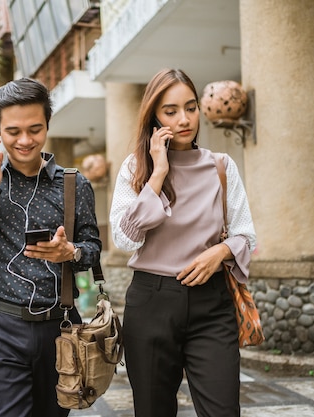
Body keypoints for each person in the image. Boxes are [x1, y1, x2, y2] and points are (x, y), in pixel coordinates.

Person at [0, 77, 102, 417]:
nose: (24, 140)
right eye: (13, 131)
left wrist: (71, 252)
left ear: (47, 124)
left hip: (60, 329)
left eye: (35, 129)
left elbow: (93, 250)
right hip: (0, 329)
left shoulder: (74, 185)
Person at [109, 68, 257, 417]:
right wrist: (157, 175)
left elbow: (246, 234)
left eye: (190, 107)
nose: (184, 119)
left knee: (223, 410)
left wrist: (220, 252)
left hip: (212, 303)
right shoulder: (135, 168)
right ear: (154, 117)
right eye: (170, 111)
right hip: (151, 303)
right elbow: (124, 238)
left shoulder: (221, 166)